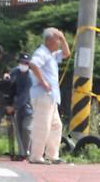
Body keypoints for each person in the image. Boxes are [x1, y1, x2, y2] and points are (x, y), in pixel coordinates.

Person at [28, 27, 70, 164]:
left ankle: (52, 155)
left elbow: (66, 53)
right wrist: (43, 81)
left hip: (51, 97)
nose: (59, 43)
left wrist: (63, 38)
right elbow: (33, 64)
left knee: (55, 126)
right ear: (50, 40)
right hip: (42, 95)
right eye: (57, 40)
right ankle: (36, 156)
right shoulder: (42, 52)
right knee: (42, 125)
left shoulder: (51, 55)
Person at [5, 53, 34, 161]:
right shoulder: (16, 71)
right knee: (18, 130)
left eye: (26, 63)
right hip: (19, 108)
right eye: (22, 62)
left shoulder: (30, 78)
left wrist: (13, 107)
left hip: (29, 107)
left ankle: (27, 152)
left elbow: (24, 96)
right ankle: (21, 152)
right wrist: (6, 77)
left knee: (26, 128)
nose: (23, 64)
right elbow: (9, 78)